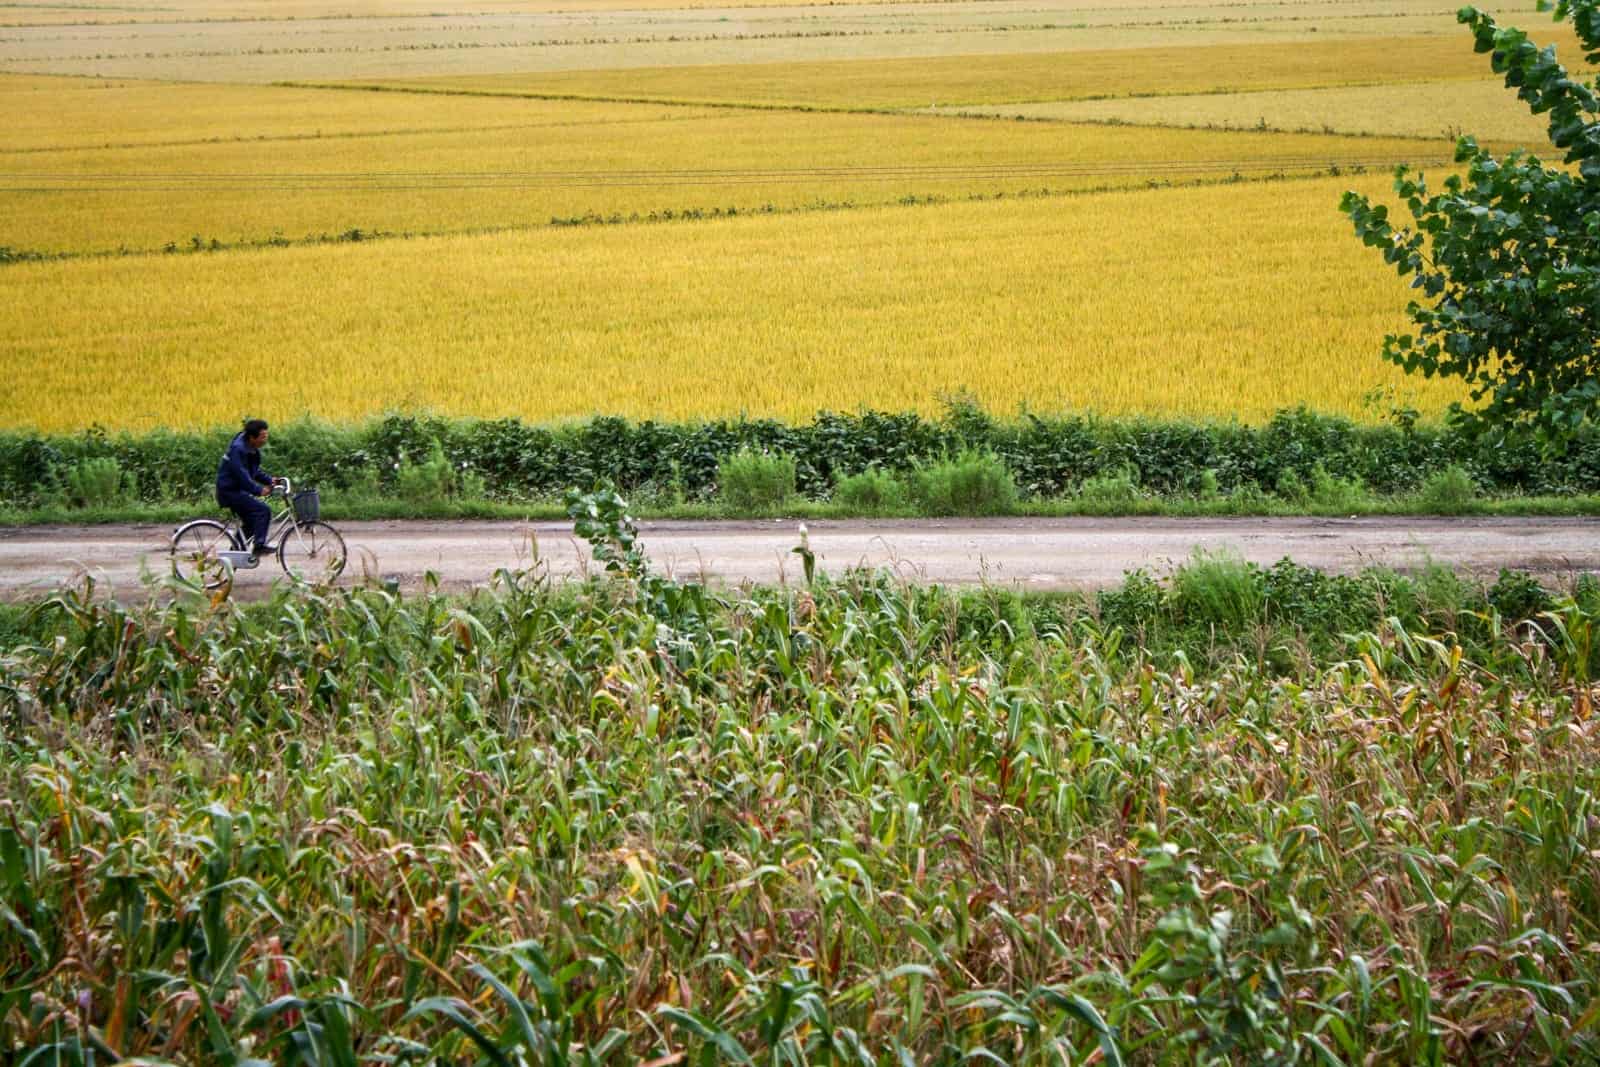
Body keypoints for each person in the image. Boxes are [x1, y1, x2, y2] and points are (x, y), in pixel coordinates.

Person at [216, 418, 279, 556]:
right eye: (263, 436)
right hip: (229, 492)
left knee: (251, 522)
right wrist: (259, 490)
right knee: (263, 511)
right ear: (252, 437)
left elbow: (253, 471)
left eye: (266, 435)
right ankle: (259, 546)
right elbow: (242, 475)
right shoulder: (238, 450)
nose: (265, 439)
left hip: (236, 490)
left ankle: (234, 557)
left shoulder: (249, 447)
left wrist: (270, 480)